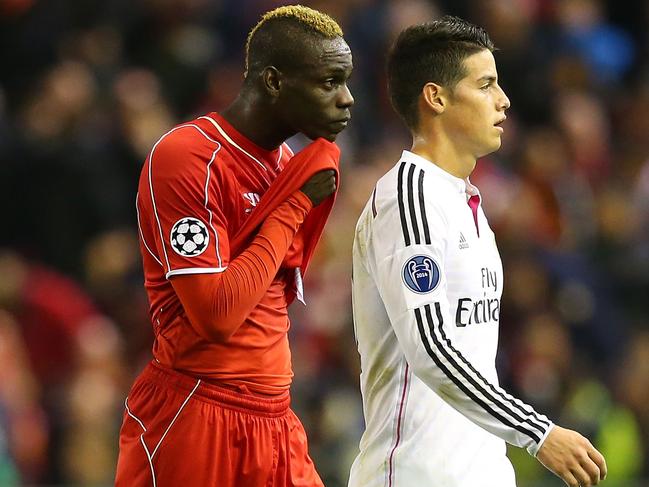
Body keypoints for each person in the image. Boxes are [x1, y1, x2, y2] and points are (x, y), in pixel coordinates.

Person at [348, 16, 606, 487]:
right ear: (437, 97)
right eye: (485, 84)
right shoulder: (409, 200)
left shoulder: (467, 202)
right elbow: (429, 346)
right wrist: (538, 433)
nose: (503, 100)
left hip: (481, 472)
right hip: (415, 476)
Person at [115, 5, 353, 487]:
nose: (346, 99)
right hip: (196, 413)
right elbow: (218, 314)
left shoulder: (287, 162)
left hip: (275, 419)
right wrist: (293, 205)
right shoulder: (188, 157)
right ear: (273, 81)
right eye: (329, 82)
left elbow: (270, 298)